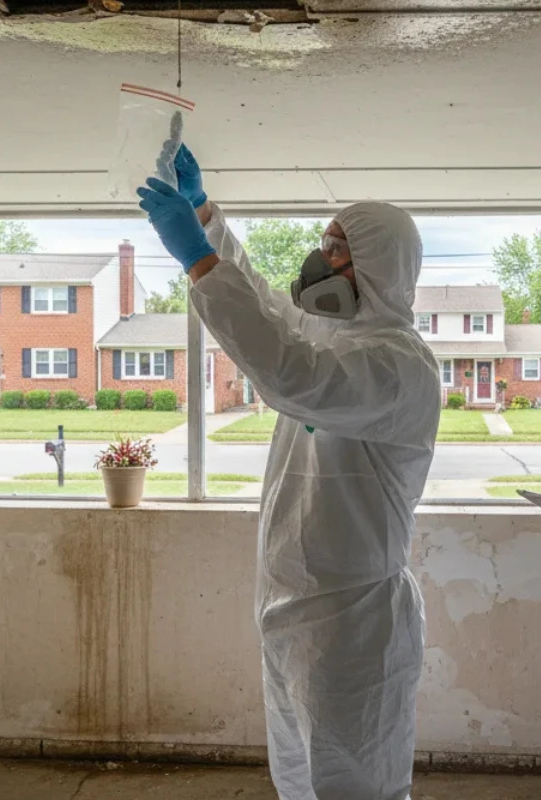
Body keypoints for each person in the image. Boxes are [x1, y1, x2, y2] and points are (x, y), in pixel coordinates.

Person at [137, 146, 441, 800]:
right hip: (292, 605)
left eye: (337, 250)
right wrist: (206, 218)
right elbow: (271, 313)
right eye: (323, 243)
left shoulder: (396, 364)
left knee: (355, 782)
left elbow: (286, 370)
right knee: (301, 775)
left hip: (354, 617)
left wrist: (197, 258)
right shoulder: (337, 338)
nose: (319, 260)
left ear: (380, 266)